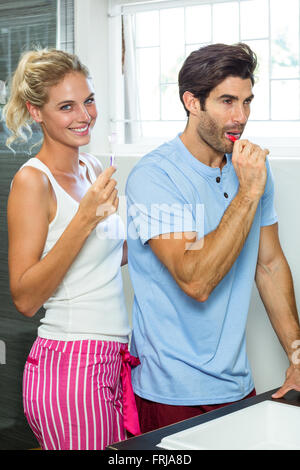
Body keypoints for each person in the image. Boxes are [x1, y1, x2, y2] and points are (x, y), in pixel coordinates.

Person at [125, 43, 300, 433]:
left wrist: (297, 357)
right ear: (192, 102)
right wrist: (248, 192)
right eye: (226, 101)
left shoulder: (253, 170)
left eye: (247, 101)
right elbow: (196, 280)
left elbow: (269, 265)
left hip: (237, 383)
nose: (240, 117)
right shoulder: (156, 176)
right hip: (170, 392)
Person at [4, 49, 140, 450]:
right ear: (36, 112)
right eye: (67, 106)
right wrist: (85, 220)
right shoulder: (33, 182)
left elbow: (104, 260)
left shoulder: (92, 169)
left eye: (89, 100)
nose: (84, 115)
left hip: (111, 356)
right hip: (71, 364)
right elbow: (26, 298)